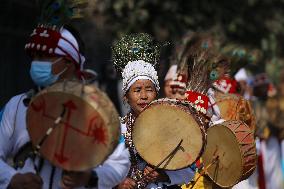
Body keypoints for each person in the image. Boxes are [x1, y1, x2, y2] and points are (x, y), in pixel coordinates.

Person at [0, 1, 130, 189]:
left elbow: (120, 162)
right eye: (34, 57)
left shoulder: (99, 109)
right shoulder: (17, 105)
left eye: (45, 57)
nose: (37, 63)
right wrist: (10, 178)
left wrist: (91, 177)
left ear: (69, 62)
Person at [112, 33, 195, 189]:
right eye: (137, 90)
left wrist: (164, 175)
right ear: (126, 97)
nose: (144, 96)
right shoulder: (116, 129)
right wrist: (117, 183)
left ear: (156, 93)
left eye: (149, 89)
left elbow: (190, 169)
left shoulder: (172, 128)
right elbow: (103, 166)